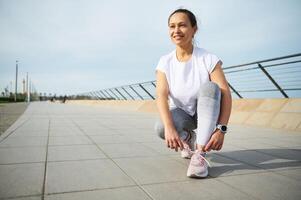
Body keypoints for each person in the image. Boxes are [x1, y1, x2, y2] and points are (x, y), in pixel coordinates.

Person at [154, 8, 232, 178]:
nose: (176, 31)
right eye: (172, 26)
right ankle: (189, 137)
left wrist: (221, 129)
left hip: (208, 113)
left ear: (194, 29)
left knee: (210, 87)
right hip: (184, 115)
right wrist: (169, 128)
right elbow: (161, 95)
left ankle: (200, 155)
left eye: (182, 25)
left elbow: (226, 93)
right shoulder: (164, 62)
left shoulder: (208, 58)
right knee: (160, 127)